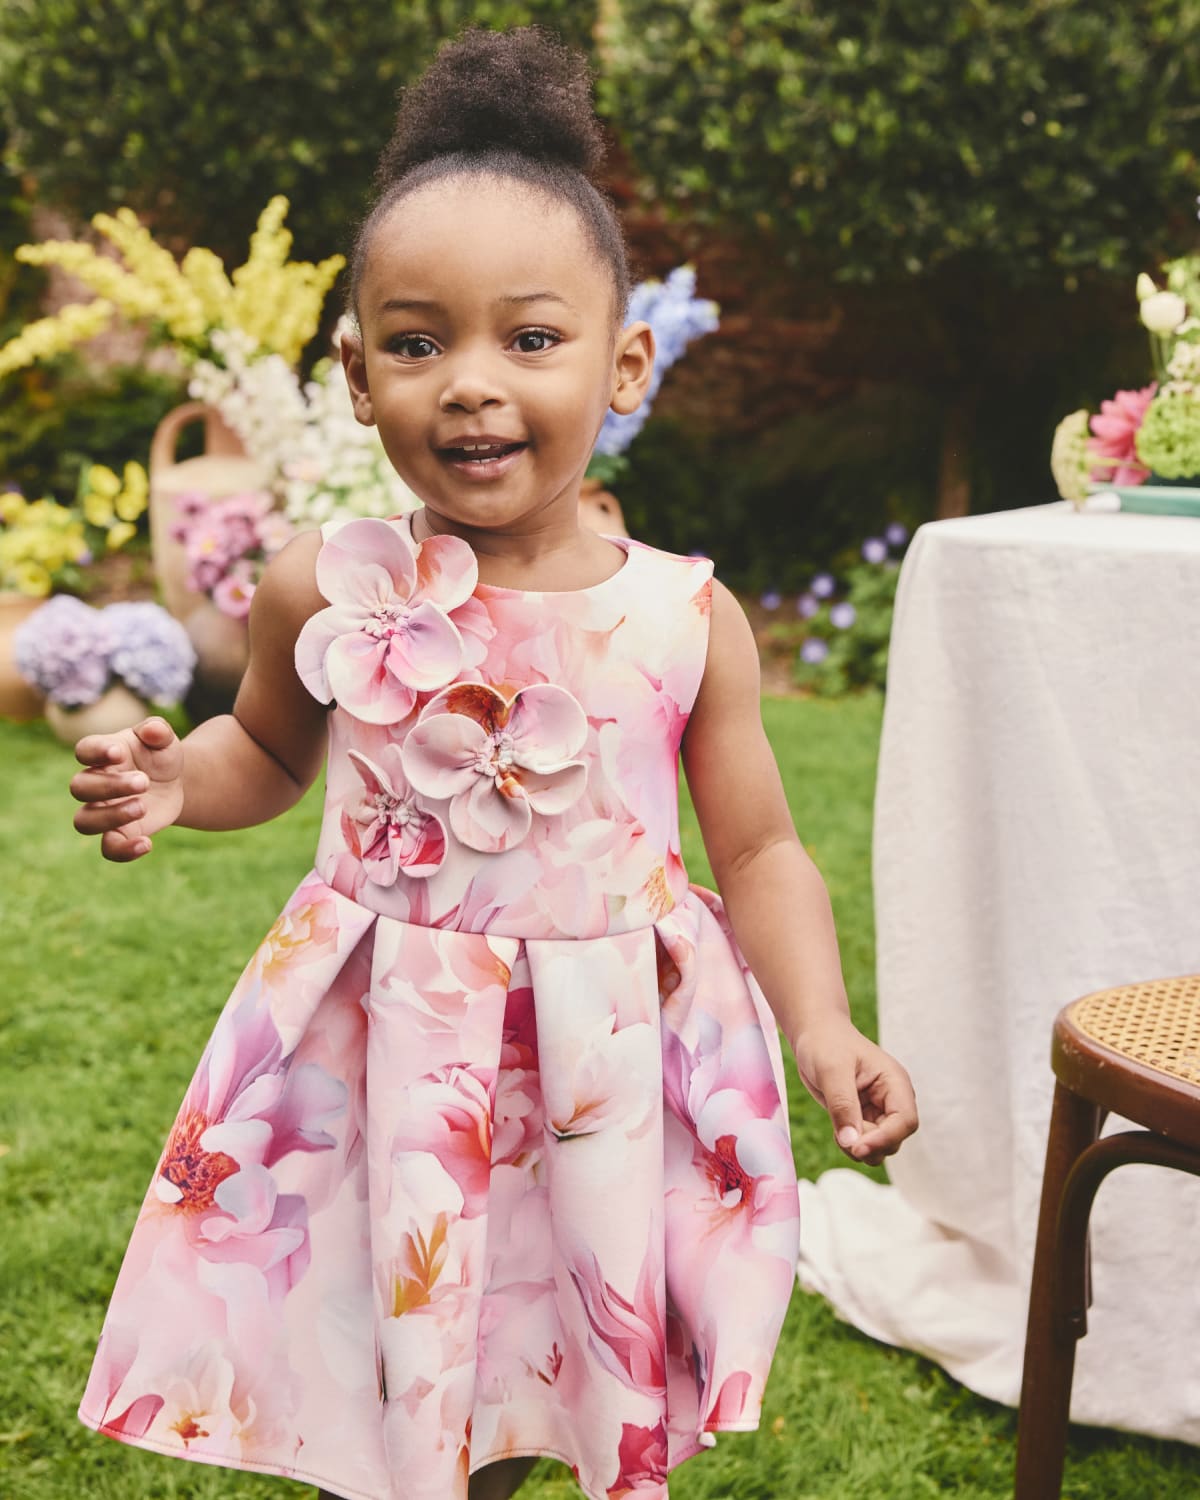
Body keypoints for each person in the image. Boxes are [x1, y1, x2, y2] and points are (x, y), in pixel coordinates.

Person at [68, 27, 917, 1500]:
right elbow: (265, 751)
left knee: (535, 1375)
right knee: (404, 1384)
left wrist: (826, 1027)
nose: (470, 384)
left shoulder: (682, 616)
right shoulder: (316, 588)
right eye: (416, 341)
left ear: (624, 359)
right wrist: (173, 783)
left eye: (529, 339)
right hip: (387, 1062)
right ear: (352, 373)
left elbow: (762, 850)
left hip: (598, 1074)